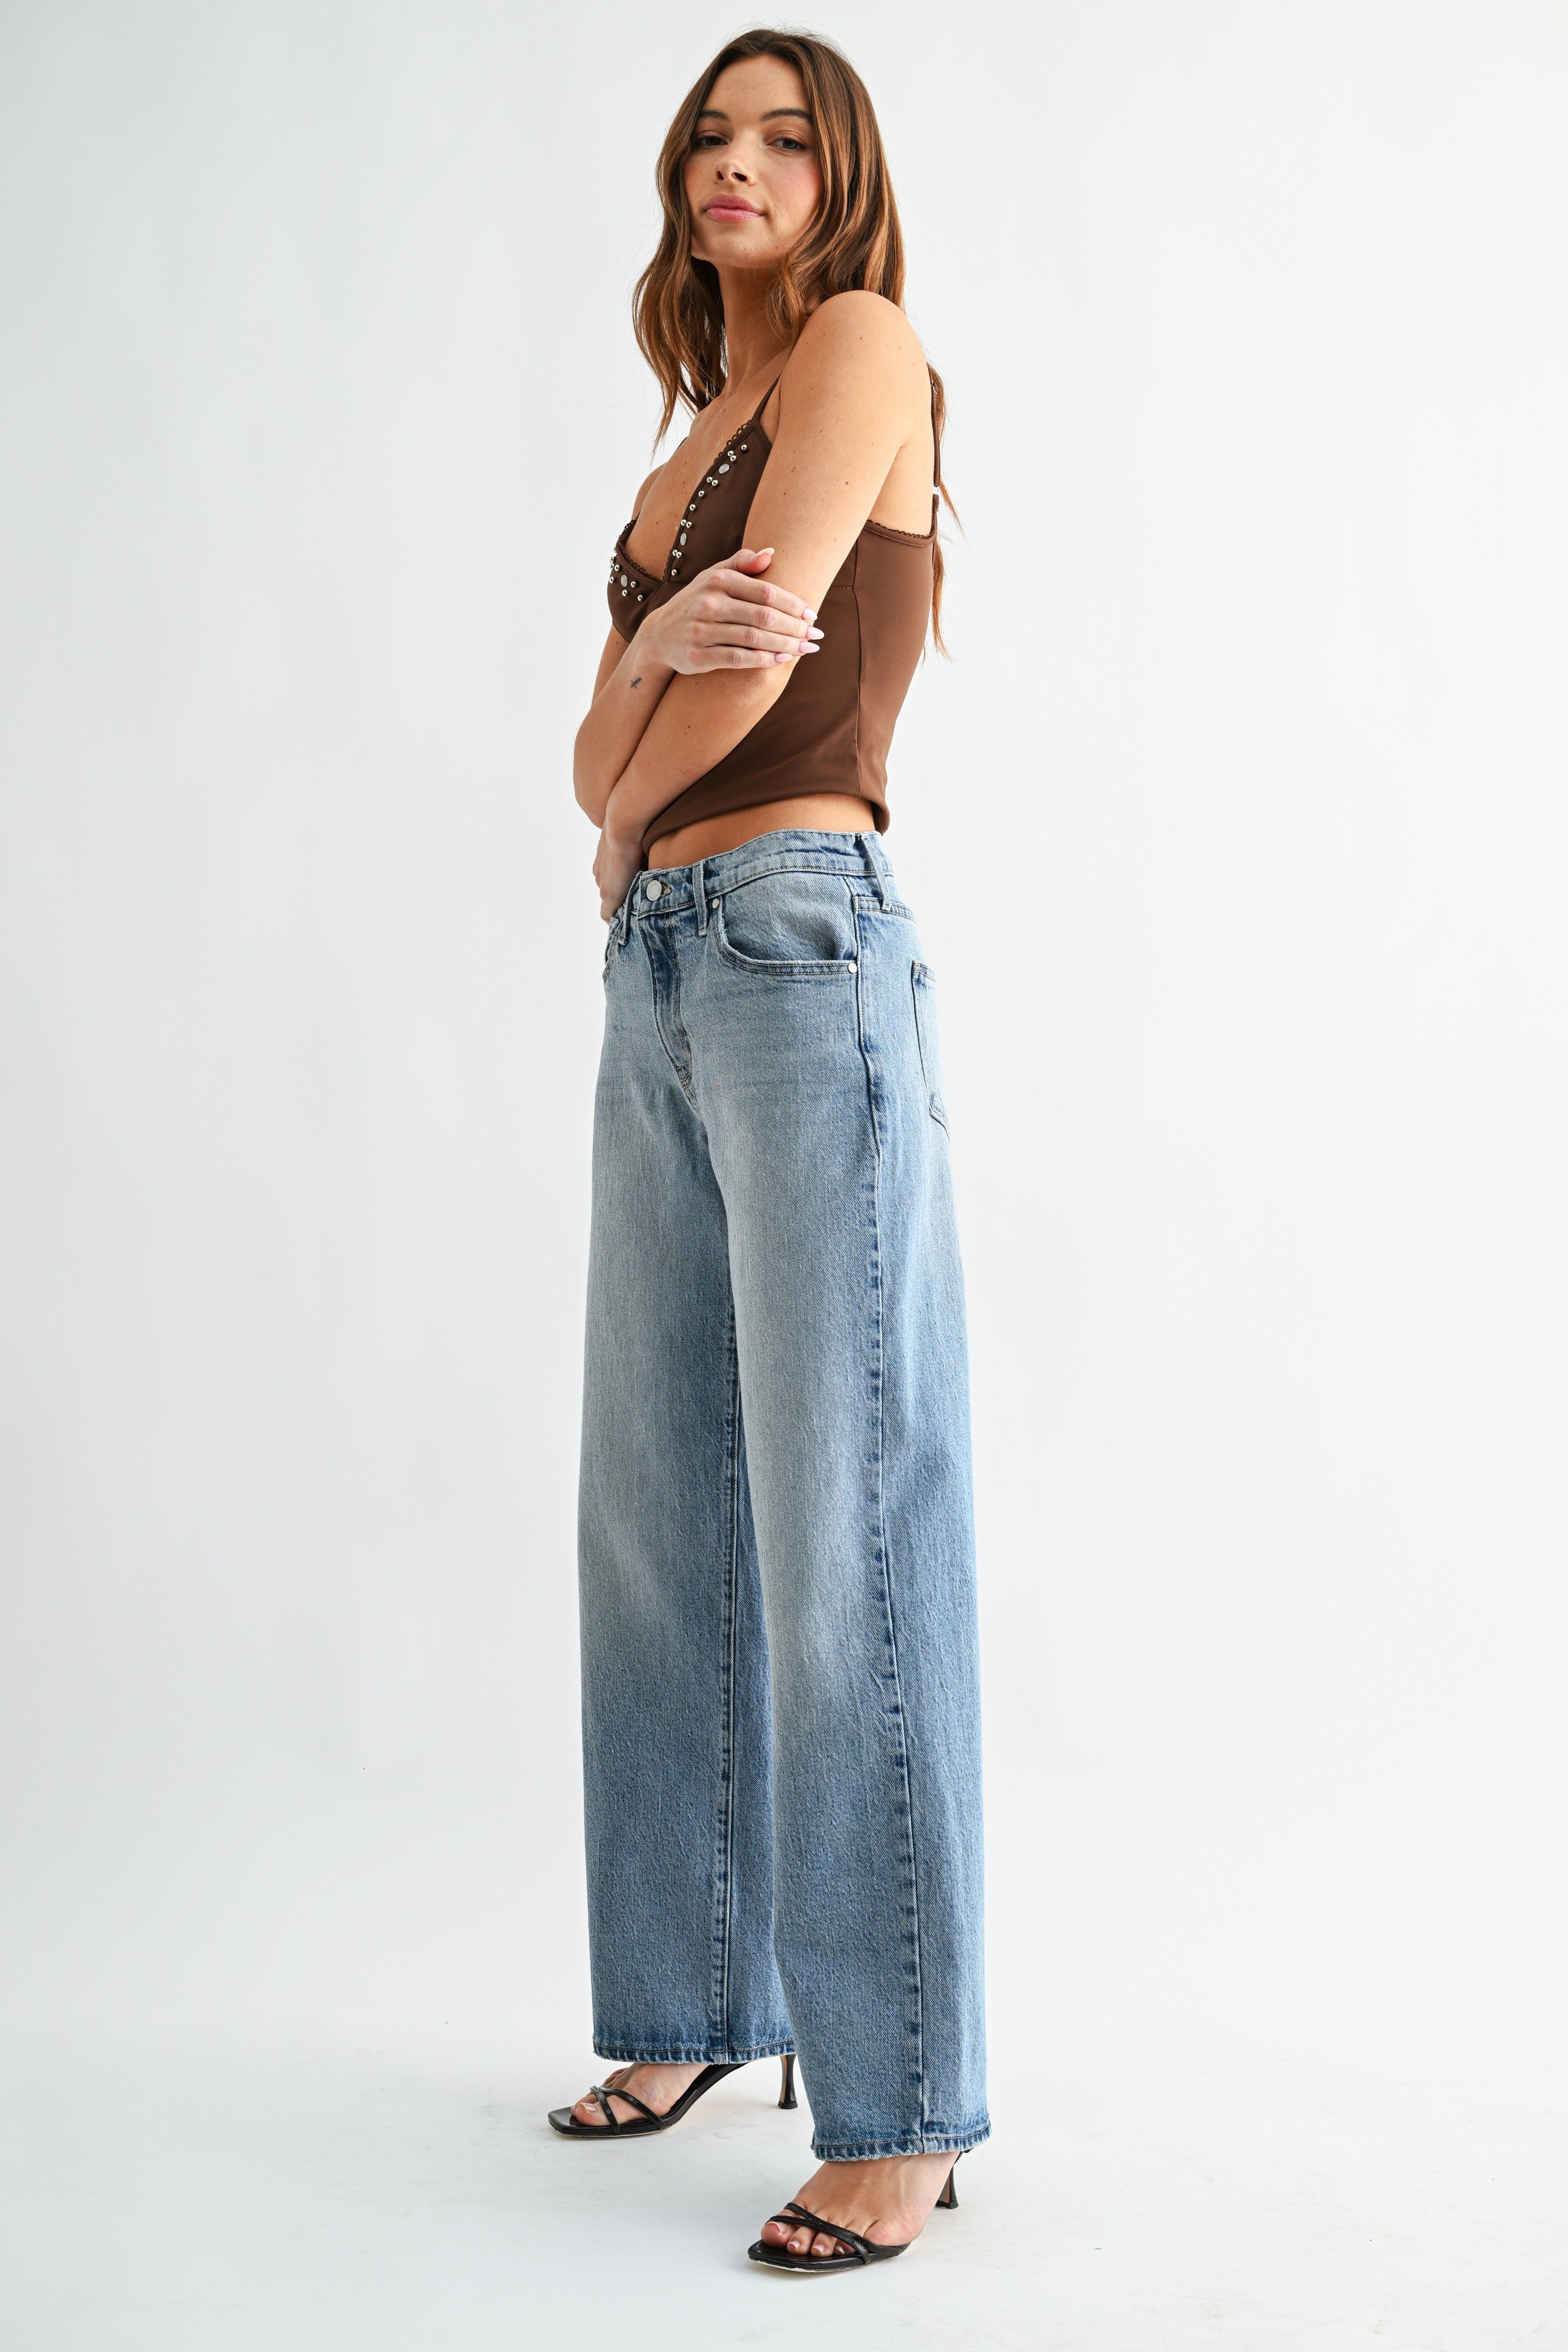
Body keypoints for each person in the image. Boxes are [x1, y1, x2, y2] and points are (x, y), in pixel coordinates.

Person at [551, 28, 987, 2274]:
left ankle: (900, 2104)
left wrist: (625, 782)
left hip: (796, 935)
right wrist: (619, 752)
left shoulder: (857, 346)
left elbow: (742, 669)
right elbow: (591, 725)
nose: (737, 165)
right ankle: (696, 1993)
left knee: (842, 1529)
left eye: (780, 134)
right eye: (709, 137)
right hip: (662, 970)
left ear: (844, 173)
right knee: (661, 1507)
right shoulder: (688, 438)